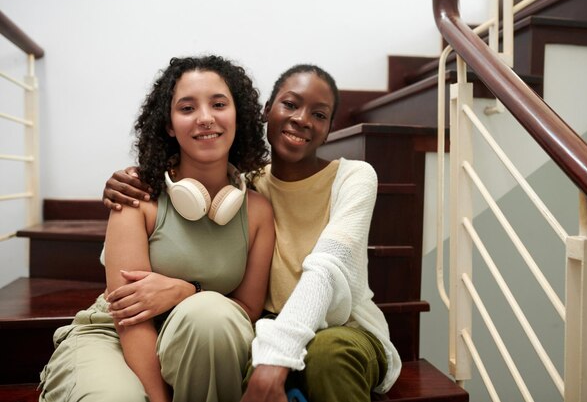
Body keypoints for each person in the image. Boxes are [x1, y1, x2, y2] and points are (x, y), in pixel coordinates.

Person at [102, 64, 401, 401]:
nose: (302, 119)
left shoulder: (355, 178)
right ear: (264, 112)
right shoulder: (247, 186)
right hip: (266, 327)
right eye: (290, 104)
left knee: (329, 354)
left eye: (319, 114)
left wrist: (274, 358)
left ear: (330, 128)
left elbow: (327, 269)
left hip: (338, 328)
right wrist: (122, 181)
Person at [39, 55, 275, 402]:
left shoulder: (257, 212)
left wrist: (187, 291)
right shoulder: (137, 195)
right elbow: (129, 317)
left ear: (237, 114)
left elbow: (248, 309)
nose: (205, 118)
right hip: (116, 335)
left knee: (210, 316)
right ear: (169, 124)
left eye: (219, 104)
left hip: (205, 340)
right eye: (187, 108)